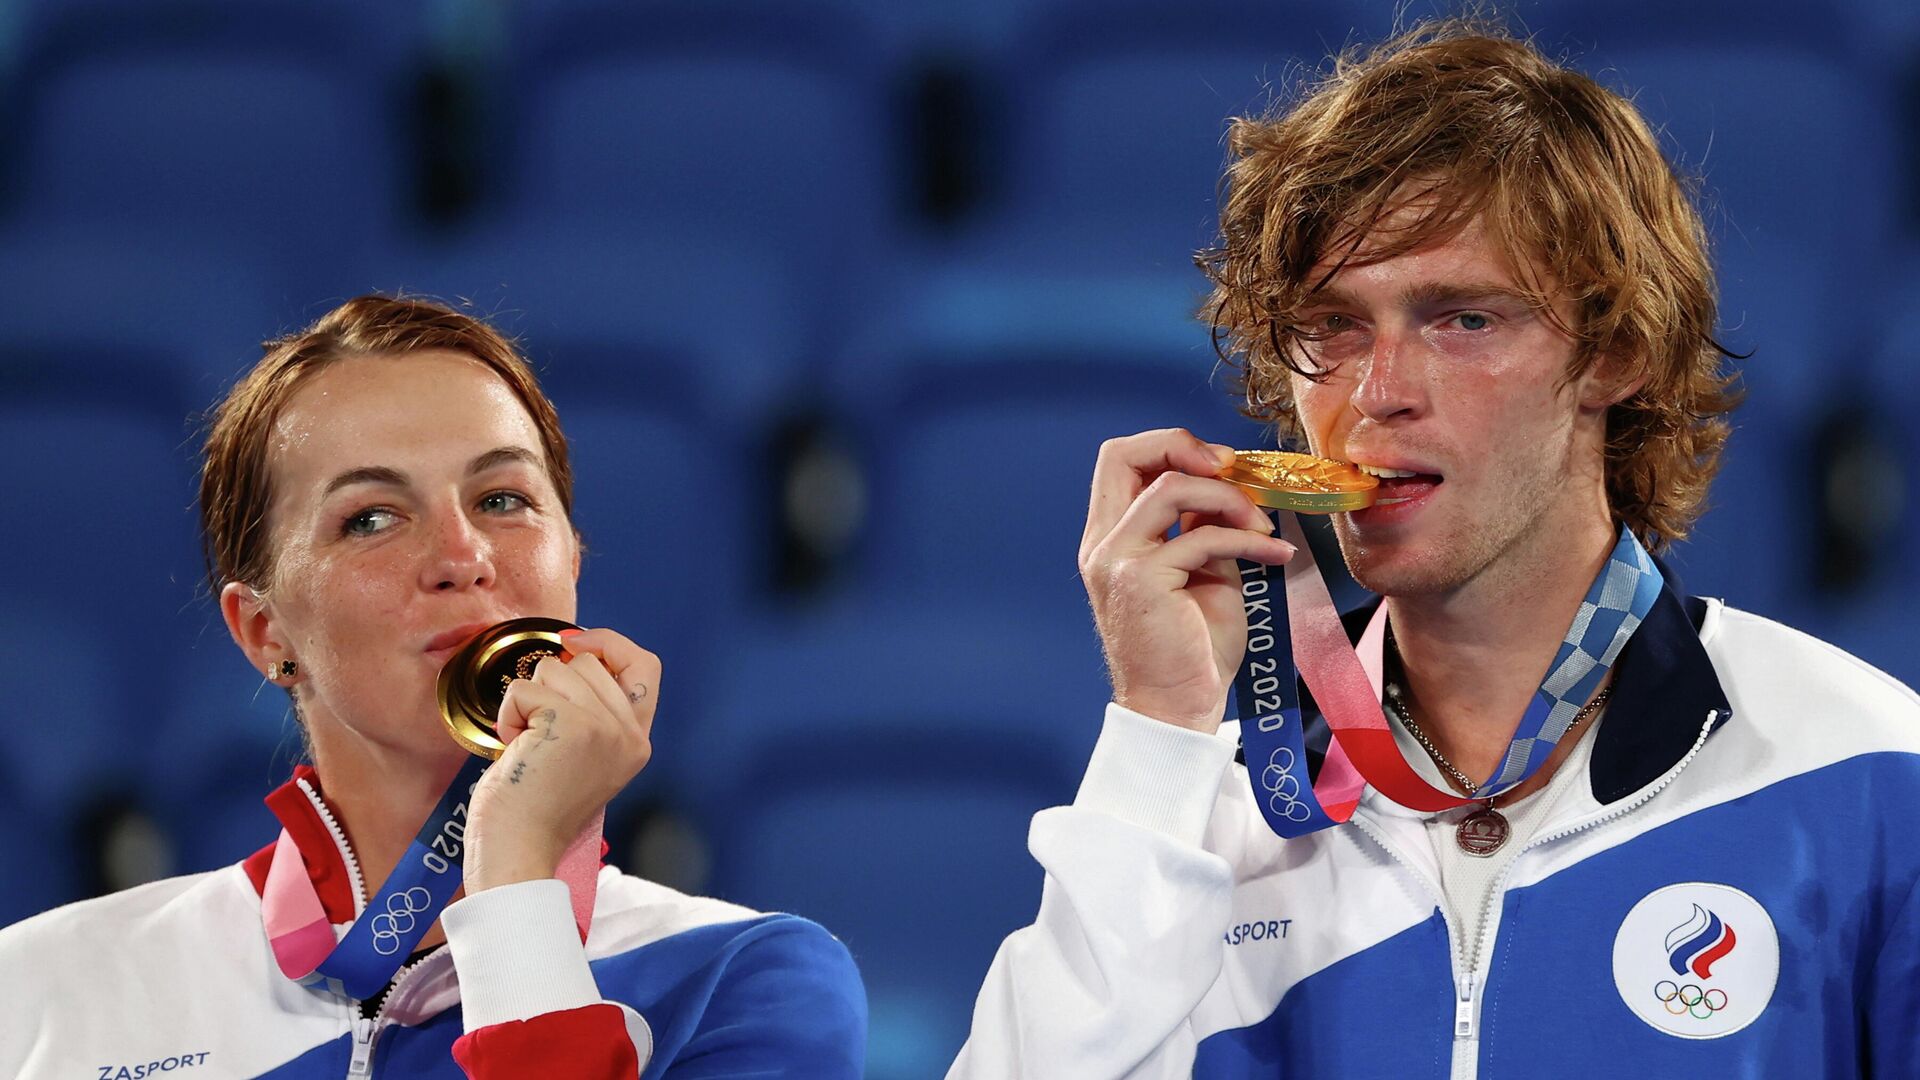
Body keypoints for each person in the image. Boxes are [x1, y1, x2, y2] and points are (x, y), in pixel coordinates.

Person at [950, 20, 1920, 1079]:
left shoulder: (1867, 776)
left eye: (1460, 319)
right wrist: (1160, 735)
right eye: (1333, 325)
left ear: (1618, 354)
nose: (1377, 393)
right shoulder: (1208, 822)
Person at [0, 296, 866, 1078]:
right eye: (371, 518)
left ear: (572, 558)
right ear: (264, 632)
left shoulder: (739, 980)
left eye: (502, 500)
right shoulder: (44, 990)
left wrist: (518, 865)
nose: (462, 557)